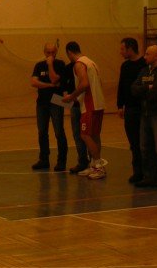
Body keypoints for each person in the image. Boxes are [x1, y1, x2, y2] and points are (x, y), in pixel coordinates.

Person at [62, 41, 107, 179]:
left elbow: (84, 83)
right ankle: (94, 165)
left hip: (90, 105)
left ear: (69, 52)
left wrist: (71, 96)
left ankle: (99, 166)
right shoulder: (91, 62)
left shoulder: (79, 64)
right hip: (98, 103)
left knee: (85, 135)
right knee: (94, 135)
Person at [131, 44, 157, 192]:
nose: (144, 56)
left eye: (148, 54)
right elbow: (134, 89)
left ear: (156, 56)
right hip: (145, 113)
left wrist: (145, 89)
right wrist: (147, 88)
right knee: (145, 147)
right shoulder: (144, 70)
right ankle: (150, 176)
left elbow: (156, 92)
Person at [30, 42, 68, 171]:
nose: (50, 54)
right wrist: (49, 86)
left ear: (56, 52)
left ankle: (61, 161)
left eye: (53, 52)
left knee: (59, 131)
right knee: (42, 132)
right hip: (42, 102)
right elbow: (33, 82)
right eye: (48, 52)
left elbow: (54, 79)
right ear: (44, 52)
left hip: (56, 101)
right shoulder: (39, 65)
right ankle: (44, 159)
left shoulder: (60, 64)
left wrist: (50, 64)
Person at [116, 37, 145, 183]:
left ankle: (151, 171)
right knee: (133, 142)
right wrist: (120, 105)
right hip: (130, 109)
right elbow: (121, 86)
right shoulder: (125, 66)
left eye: (122, 49)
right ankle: (137, 171)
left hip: (143, 109)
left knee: (145, 142)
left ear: (130, 49)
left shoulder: (144, 64)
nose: (120, 52)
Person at [61, 61, 89, 174]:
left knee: (89, 134)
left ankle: (93, 161)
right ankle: (82, 161)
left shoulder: (86, 66)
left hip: (86, 105)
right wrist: (67, 97)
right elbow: (64, 85)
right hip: (75, 106)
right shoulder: (68, 68)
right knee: (77, 134)